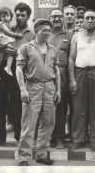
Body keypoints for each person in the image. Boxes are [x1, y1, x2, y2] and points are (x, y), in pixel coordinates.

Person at [0, 2, 35, 147]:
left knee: (17, 104)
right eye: (18, 15)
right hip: (4, 68)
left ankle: (18, 137)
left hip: (20, 70)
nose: (20, 17)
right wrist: (5, 48)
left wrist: (17, 52)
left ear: (28, 17)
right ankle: (0, 137)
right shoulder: (8, 27)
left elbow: (33, 54)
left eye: (23, 15)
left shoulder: (31, 33)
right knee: (0, 101)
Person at [17, 19, 61, 166]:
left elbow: (57, 71)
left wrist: (58, 90)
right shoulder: (26, 48)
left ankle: (42, 154)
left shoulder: (53, 49)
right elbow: (19, 69)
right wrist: (23, 89)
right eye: (44, 30)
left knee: (48, 123)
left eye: (49, 30)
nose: (47, 33)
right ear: (37, 31)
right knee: (29, 123)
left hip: (49, 87)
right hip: (32, 87)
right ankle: (24, 156)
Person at [68, 9, 95, 151]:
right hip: (80, 73)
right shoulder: (76, 37)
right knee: (79, 108)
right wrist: (72, 80)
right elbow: (71, 59)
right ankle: (78, 139)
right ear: (83, 20)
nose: (90, 20)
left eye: (93, 18)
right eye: (87, 18)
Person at [48, 8, 73, 149]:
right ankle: (49, 136)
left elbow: (71, 58)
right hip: (46, 73)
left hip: (63, 74)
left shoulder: (70, 35)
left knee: (61, 106)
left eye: (59, 16)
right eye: (53, 17)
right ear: (50, 19)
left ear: (63, 18)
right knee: (47, 106)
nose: (56, 19)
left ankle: (60, 138)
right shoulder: (45, 34)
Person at [0, 7, 23, 79]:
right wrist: (17, 35)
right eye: (3, 16)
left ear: (11, 16)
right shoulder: (2, 24)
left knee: (2, 55)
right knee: (11, 49)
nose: (6, 18)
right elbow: (8, 32)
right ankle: (8, 67)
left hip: (4, 41)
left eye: (7, 16)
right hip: (3, 40)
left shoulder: (8, 24)